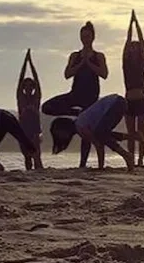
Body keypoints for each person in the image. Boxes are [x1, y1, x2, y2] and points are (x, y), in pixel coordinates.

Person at [42, 21, 108, 167]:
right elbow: (67, 74)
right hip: (75, 94)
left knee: (86, 130)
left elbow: (104, 74)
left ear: (93, 37)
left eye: (88, 36)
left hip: (91, 97)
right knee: (46, 107)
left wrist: (89, 63)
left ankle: (82, 164)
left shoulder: (99, 56)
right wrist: (80, 63)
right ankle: (75, 113)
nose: (85, 39)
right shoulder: (74, 55)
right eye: (83, 36)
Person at [49, 94, 137, 171]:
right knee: (103, 134)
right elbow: (100, 143)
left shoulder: (80, 126)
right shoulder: (81, 123)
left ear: (64, 129)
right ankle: (135, 137)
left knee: (101, 134)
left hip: (116, 103)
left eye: (59, 134)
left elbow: (99, 145)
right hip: (118, 102)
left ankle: (126, 155)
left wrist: (100, 167)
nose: (60, 137)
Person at [123, 10, 144, 166]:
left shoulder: (142, 62)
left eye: (136, 47)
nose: (133, 49)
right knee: (131, 134)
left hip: (141, 99)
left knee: (141, 133)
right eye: (132, 48)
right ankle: (131, 160)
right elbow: (127, 42)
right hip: (128, 100)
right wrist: (130, 24)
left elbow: (142, 43)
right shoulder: (126, 64)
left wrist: (137, 25)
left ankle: (140, 160)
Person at [17, 49, 44, 170]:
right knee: (27, 157)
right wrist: (25, 62)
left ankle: (39, 173)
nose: (28, 88)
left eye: (30, 86)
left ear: (32, 87)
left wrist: (31, 63)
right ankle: (29, 175)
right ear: (23, 87)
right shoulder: (20, 98)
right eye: (25, 86)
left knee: (36, 155)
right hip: (23, 129)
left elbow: (37, 80)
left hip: (34, 129)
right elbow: (20, 78)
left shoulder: (36, 98)